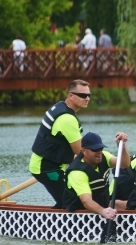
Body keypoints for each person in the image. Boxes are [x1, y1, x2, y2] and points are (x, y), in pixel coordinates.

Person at [29, 79, 91, 208]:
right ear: (70, 95)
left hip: (54, 165)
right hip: (46, 168)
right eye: (83, 95)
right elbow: (81, 152)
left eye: (88, 95)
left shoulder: (60, 106)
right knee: (74, 202)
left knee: (70, 198)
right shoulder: (67, 119)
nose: (87, 98)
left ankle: (57, 212)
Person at [63, 131, 130, 219]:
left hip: (102, 206)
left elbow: (124, 164)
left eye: (100, 149)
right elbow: (86, 201)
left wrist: (122, 146)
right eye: (95, 150)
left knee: (128, 204)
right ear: (83, 151)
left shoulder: (104, 157)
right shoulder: (77, 172)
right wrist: (103, 212)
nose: (99, 152)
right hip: (79, 215)